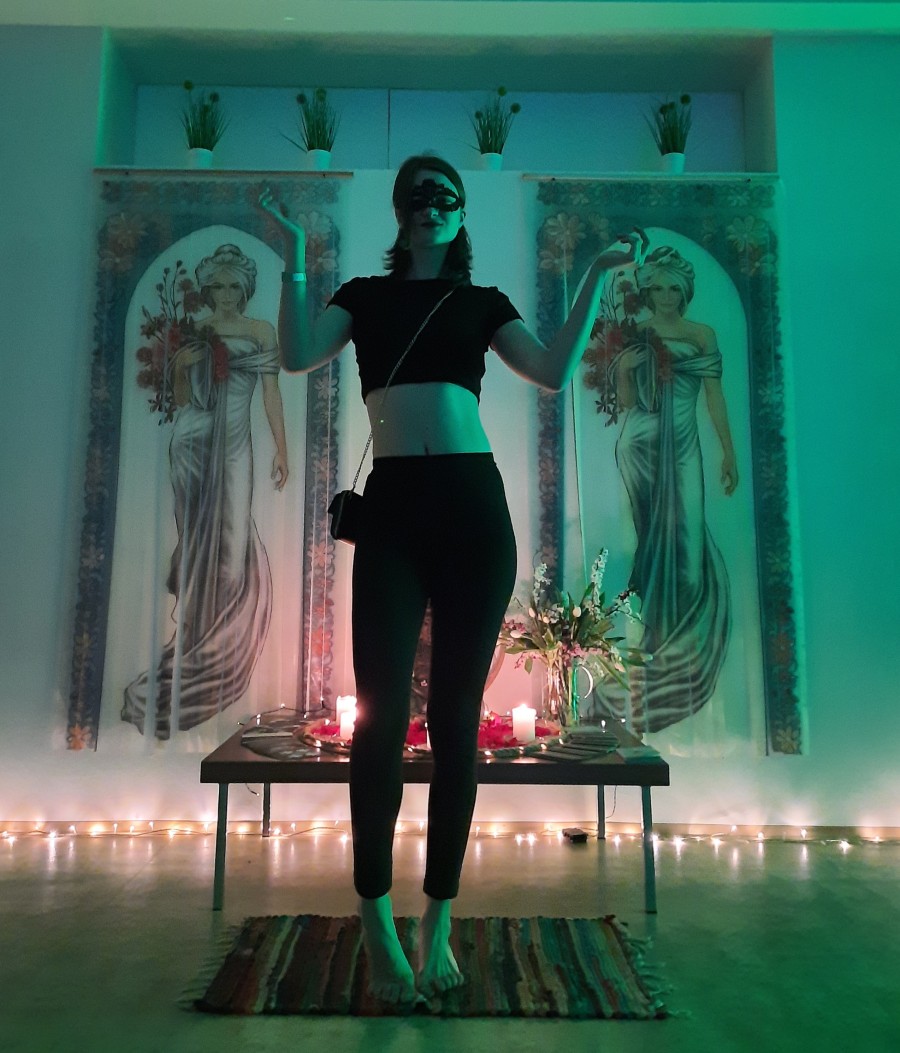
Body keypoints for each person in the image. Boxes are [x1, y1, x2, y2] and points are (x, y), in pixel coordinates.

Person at [259, 157, 646, 1004]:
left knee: (455, 723)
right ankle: (375, 919)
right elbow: (294, 356)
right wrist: (292, 254)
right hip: (396, 508)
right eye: (417, 196)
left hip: (474, 508)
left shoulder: (483, 303)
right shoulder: (363, 297)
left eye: (444, 196)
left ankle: (436, 919)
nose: (430, 206)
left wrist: (593, 274)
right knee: (379, 719)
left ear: (461, 212)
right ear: (400, 212)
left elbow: (551, 371)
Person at [122, 244, 288, 739]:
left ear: (246, 289)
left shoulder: (260, 331)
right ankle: (193, 638)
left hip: (235, 446)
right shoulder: (192, 330)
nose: (227, 294)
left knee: (232, 545)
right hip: (192, 444)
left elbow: (271, 392)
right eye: (218, 286)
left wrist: (282, 448)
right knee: (196, 542)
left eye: (235, 286)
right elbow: (178, 399)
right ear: (207, 289)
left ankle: (220, 654)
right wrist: (179, 366)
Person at [598, 246, 736, 733]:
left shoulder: (702, 335)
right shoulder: (636, 334)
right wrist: (623, 368)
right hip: (639, 444)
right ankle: (650, 645)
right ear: (646, 292)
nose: (665, 296)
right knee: (652, 545)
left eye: (674, 288)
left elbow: (714, 397)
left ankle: (681, 661)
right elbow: (626, 401)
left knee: (689, 549)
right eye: (656, 288)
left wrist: (728, 451)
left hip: (684, 446)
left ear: (685, 292)